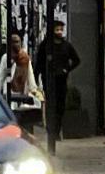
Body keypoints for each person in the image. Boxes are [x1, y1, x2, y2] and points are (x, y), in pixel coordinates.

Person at [31, 20, 80, 153]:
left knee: (60, 105)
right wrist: (36, 78)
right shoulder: (45, 45)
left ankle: (56, 130)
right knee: (50, 104)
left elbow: (76, 60)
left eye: (61, 30)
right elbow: (39, 63)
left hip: (61, 79)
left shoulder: (66, 46)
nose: (59, 32)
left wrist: (66, 69)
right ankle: (51, 130)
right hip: (49, 79)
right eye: (57, 29)